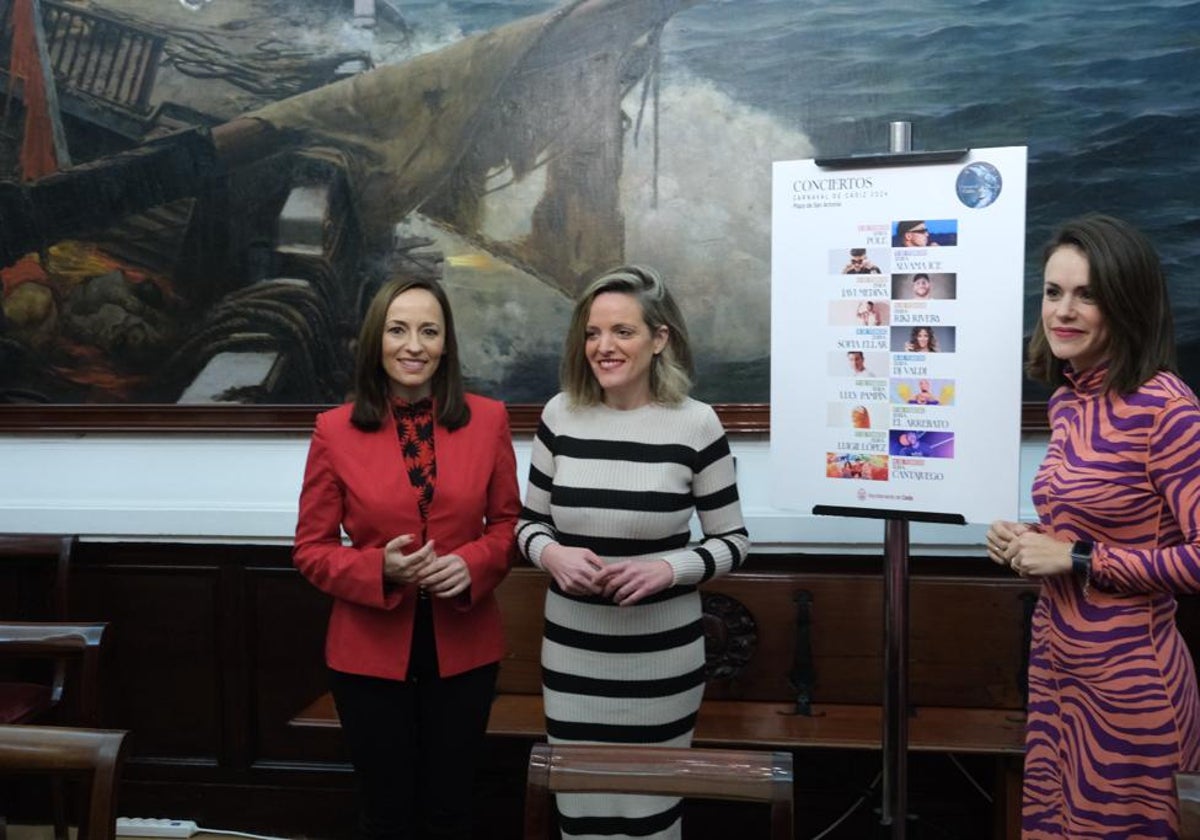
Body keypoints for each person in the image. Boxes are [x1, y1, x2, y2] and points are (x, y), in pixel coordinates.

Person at [515, 265, 750, 840]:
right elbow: (528, 525)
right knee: (581, 812)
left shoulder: (696, 424)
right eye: (593, 333)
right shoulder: (558, 415)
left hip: (661, 661)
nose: (603, 347)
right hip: (574, 659)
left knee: (651, 815)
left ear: (659, 338)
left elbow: (733, 542)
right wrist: (552, 556)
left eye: (622, 331)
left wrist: (669, 568)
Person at [986, 214, 1200, 838]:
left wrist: (1077, 558)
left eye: (1088, 294)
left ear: (1126, 304)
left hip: (1133, 685)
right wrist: (1026, 539)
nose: (1064, 311)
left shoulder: (1168, 408)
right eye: (1053, 293)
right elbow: (1090, 518)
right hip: (1057, 668)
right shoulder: (1068, 402)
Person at [293, 276, 520, 840]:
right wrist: (378, 569)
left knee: (452, 810)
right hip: (367, 653)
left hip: (465, 647)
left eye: (428, 331)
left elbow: (510, 526)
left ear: (446, 345)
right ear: (376, 340)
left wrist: (473, 563)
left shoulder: (489, 420)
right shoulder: (333, 431)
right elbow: (311, 549)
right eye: (398, 330)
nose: (413, 345)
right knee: (386, 812)